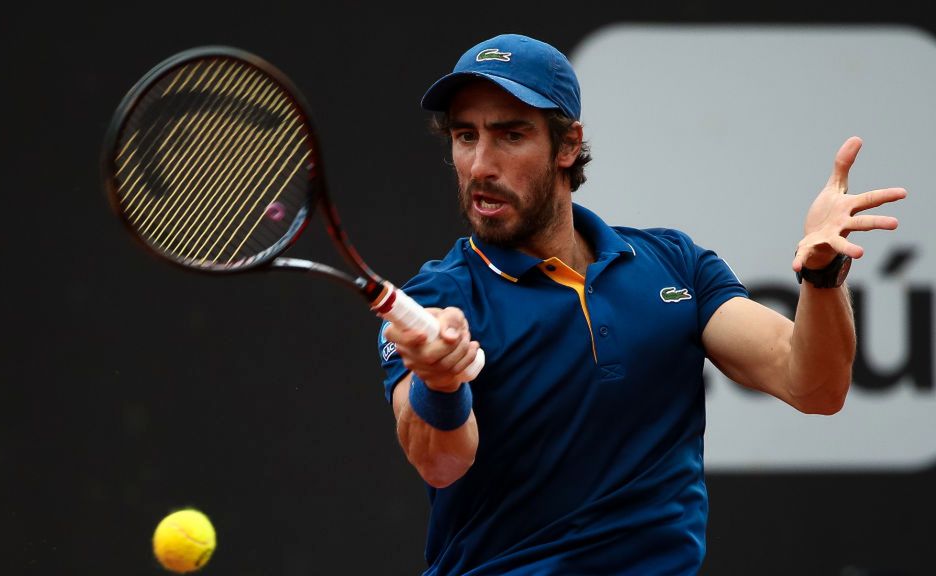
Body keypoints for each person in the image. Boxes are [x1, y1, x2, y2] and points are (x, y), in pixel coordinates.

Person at [376, 33, 906, 576]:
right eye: (466, 137)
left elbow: (814, 386)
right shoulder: (434, 301)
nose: (481, 164)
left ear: (566, 145)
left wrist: (822, 275)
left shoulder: (675, 263)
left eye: (510, 135)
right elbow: (440, 463)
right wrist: (440, 384)